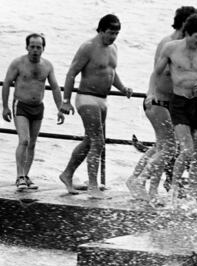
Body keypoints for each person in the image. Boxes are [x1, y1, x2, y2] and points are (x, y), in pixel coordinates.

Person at [127, 6, 197, 203]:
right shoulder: (167, 43)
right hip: (157, 101)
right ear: (184, 24)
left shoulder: (184, 46)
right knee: (168, 149)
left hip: (171, 103)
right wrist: (150, 92)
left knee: (161, 147)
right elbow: (156, 72)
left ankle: (150, 192)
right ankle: (138, 180)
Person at [58, 14, 133, 199]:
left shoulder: (113, 48)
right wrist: (65, 101)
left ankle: (67, 174)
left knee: (90, 141)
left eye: (116, 33)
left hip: (102, 99)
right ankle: (93, 186)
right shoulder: (88, 47)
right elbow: (71, 73)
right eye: (110, 33)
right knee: (98, 141)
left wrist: (123, 88)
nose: (113, 37)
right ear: (100, 30)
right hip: (87, 98)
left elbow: (111, 72)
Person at [153, 14, 197, 201]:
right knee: (186, 150)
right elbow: (157, 72)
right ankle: (173, 189)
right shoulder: (171, 48)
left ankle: (194, 190)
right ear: (187, 33)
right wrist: (153, 93)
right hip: (179, 102)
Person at [2, 33, 64, 192]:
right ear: (27, 47)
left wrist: (60, 108)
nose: (35, 50)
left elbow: (55, 87)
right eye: (32, 47)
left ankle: (26, 176)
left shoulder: (47, 65)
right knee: (24, 140)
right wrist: (5, 107)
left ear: (43, 48)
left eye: (38, 47)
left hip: (38, 107)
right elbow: (7, 83)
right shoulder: (18, 63)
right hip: (21, 105)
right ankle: (19, 176)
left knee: (32, 143)